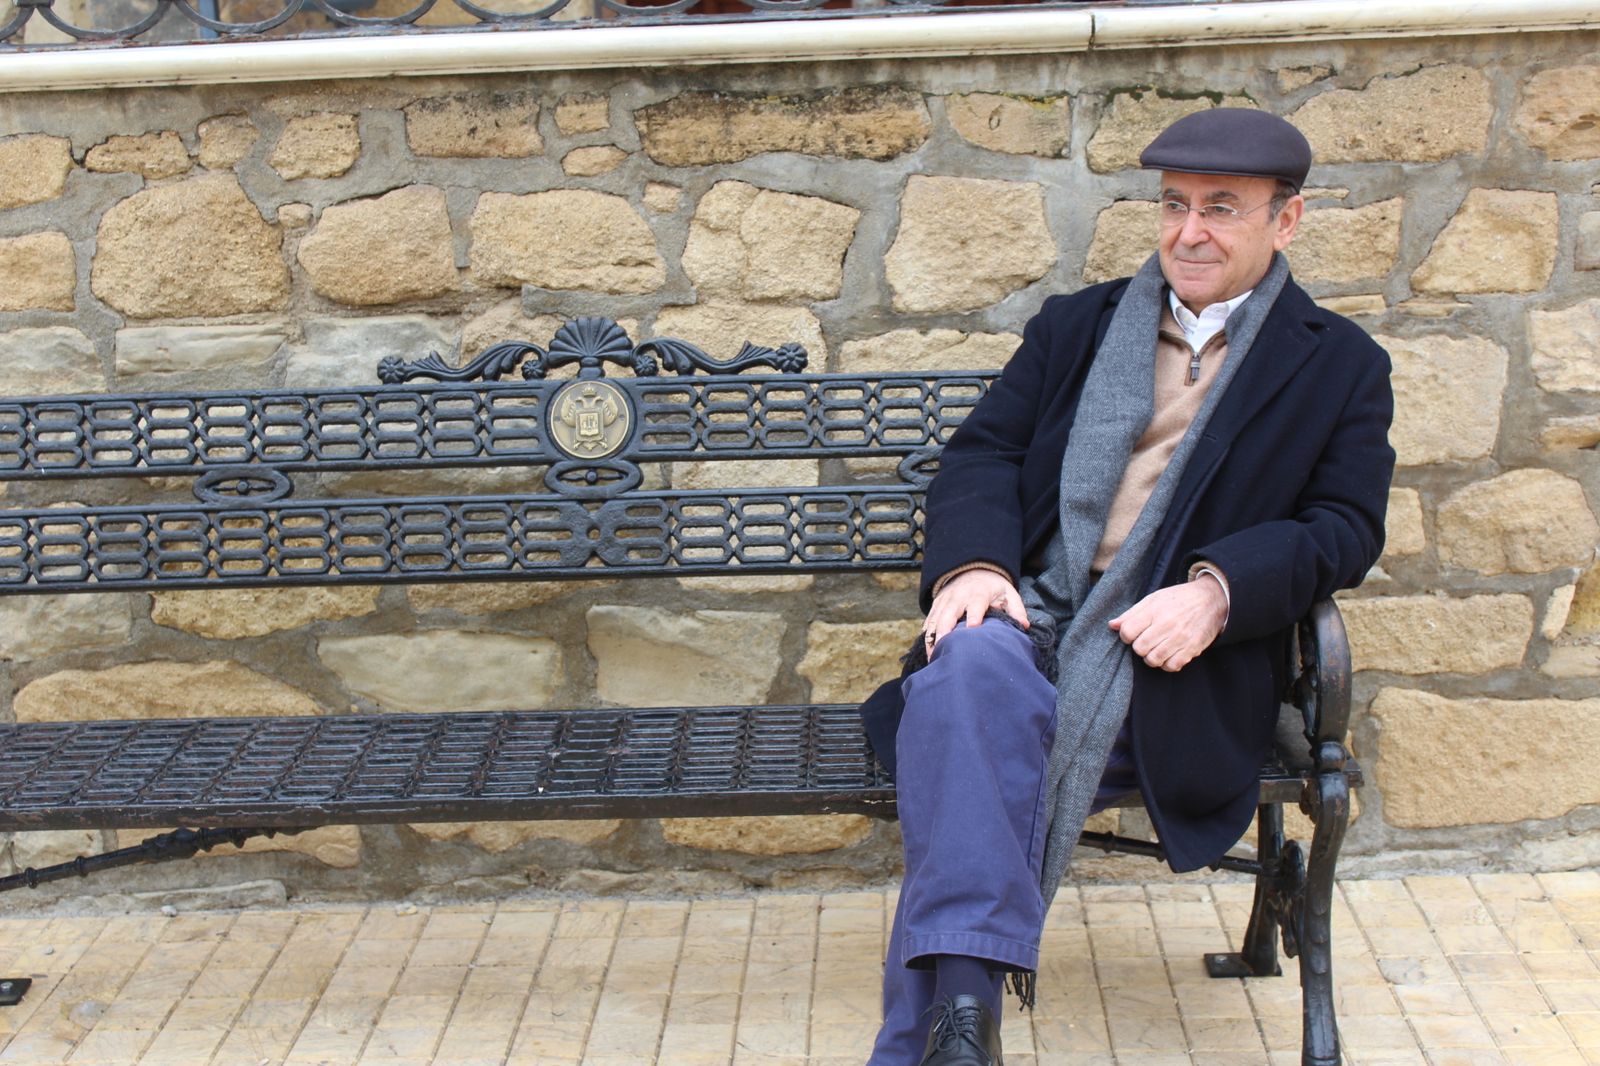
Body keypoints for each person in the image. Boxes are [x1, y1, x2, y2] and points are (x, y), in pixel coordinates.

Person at [856, 108, 1396, 1066]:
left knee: (964, 736)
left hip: (1167, 665)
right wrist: (977, 566)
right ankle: (961, 1031)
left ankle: (932, 1035)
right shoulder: (1080, 325)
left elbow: (1343, 527)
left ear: (1288, 220)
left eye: (1222, 209)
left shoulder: (1339, 365)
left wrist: (1220, 591)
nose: (1190, 232)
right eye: (1175, 206)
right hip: (1035, 615)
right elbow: (983, 454)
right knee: (972, 669)